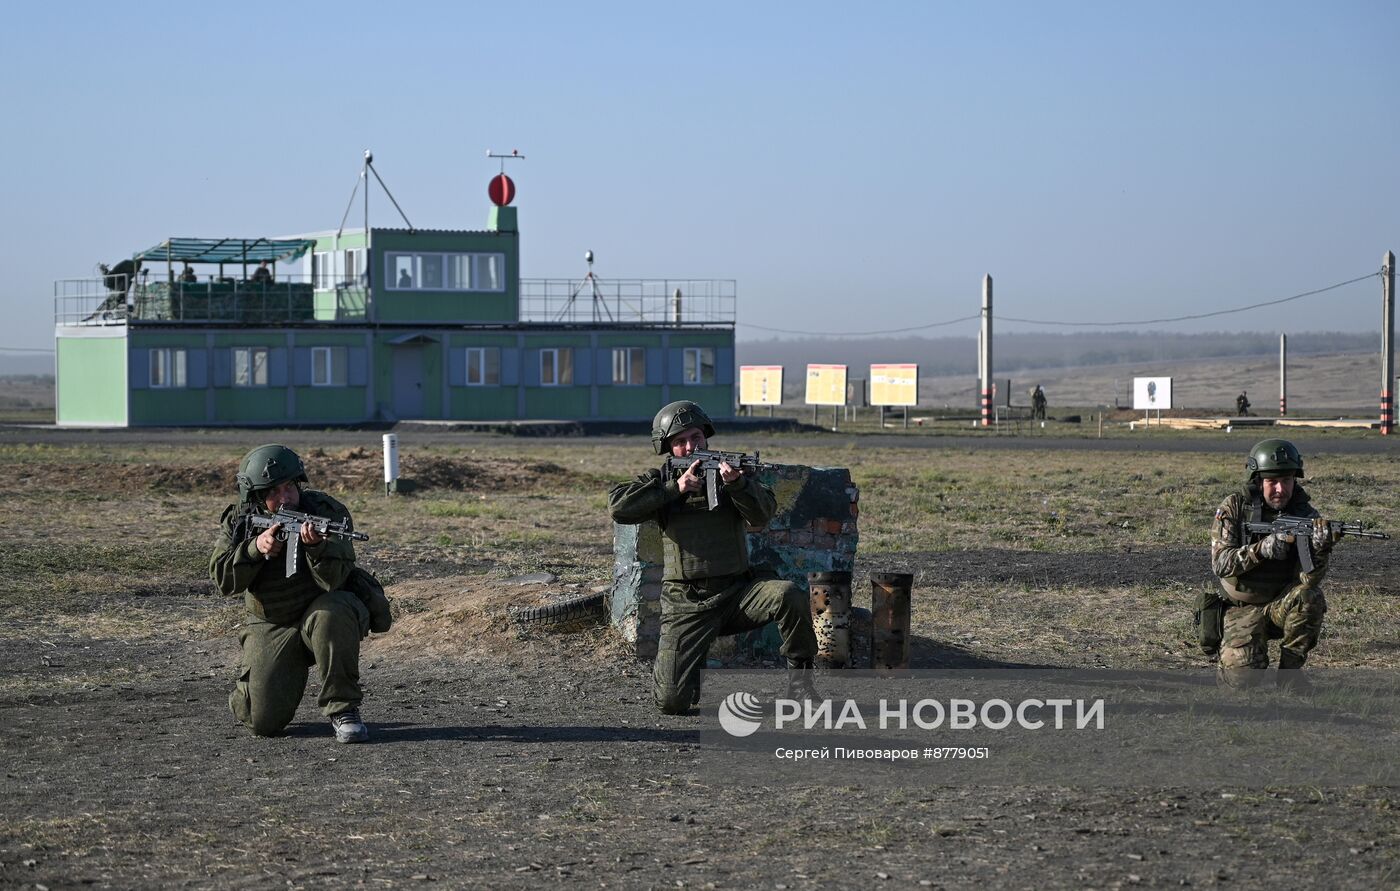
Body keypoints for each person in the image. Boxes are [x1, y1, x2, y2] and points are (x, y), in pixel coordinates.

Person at [608, 401, 818, 714]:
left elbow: (762, 516)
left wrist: (738, 484)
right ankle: (691, 666)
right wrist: (673, 489)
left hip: (737, 593)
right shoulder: (661, 480)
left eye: (696, 438)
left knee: (788, 594)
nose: (691, 446)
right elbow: (619, 507)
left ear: (706, 437)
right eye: (680, 442)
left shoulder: (730, 475)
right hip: (686, 603)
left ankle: (801, 685)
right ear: (668, 448)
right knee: (671, 702)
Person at [210, 444, 392, 742]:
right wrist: (255, 549)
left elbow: (336, 580)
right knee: (262, 723)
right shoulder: (240, 521)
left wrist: (317, 548)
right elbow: (223, 581)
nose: (285, 498)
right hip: (272, 622)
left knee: (334, 611)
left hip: (321, 614)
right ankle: (261, 679)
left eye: (289, 487)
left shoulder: (325, 513)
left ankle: (343, 708)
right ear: (255, 495)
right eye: (273, 492)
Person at [1209, 439, 1339, 688]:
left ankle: (1290, 674)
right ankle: (1229, 658)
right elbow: (1220, 564)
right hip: (1242, 607)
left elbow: (1308, 580)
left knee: (1310, 597)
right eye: (1272, 482)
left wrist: (1321, 550)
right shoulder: (1235, 507)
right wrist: (1262, 549)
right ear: (1258, 481)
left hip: (1280, 604)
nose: (1280, 489)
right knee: (1242, 679)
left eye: (1287, 480)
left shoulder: (1305, 515)